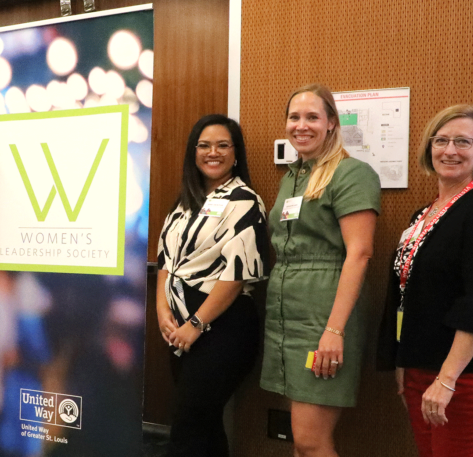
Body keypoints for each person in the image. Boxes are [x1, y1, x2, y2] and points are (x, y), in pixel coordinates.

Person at [377, 105, 473, 457]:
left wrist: (447, 380)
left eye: (463, 142)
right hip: (423, 368)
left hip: (462, 378)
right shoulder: (423, 214)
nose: (450, 150)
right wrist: (404, 360)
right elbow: (407, 292)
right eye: (441, 140)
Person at [260, 84, 381, 456]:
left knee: (312, 442)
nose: (302, 125)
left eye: (312, 117)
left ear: (331, 123)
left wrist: (334, 330)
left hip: (323, 317)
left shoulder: (351, 174)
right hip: (286, 316)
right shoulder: (292, 176)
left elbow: (359, 253)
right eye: (294, 117)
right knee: (302, 440)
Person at [156, 114, 268, 457]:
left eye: (222, 145)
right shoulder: (184, 203)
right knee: (203, 426)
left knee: (187, 427)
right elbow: (165, 262)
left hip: (223, 328)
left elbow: (236, 275)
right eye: (204, 145)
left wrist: (196, 324)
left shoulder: (245, 201)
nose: (212, 152)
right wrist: (162, 310)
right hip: (180, 330)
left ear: (236, 153)